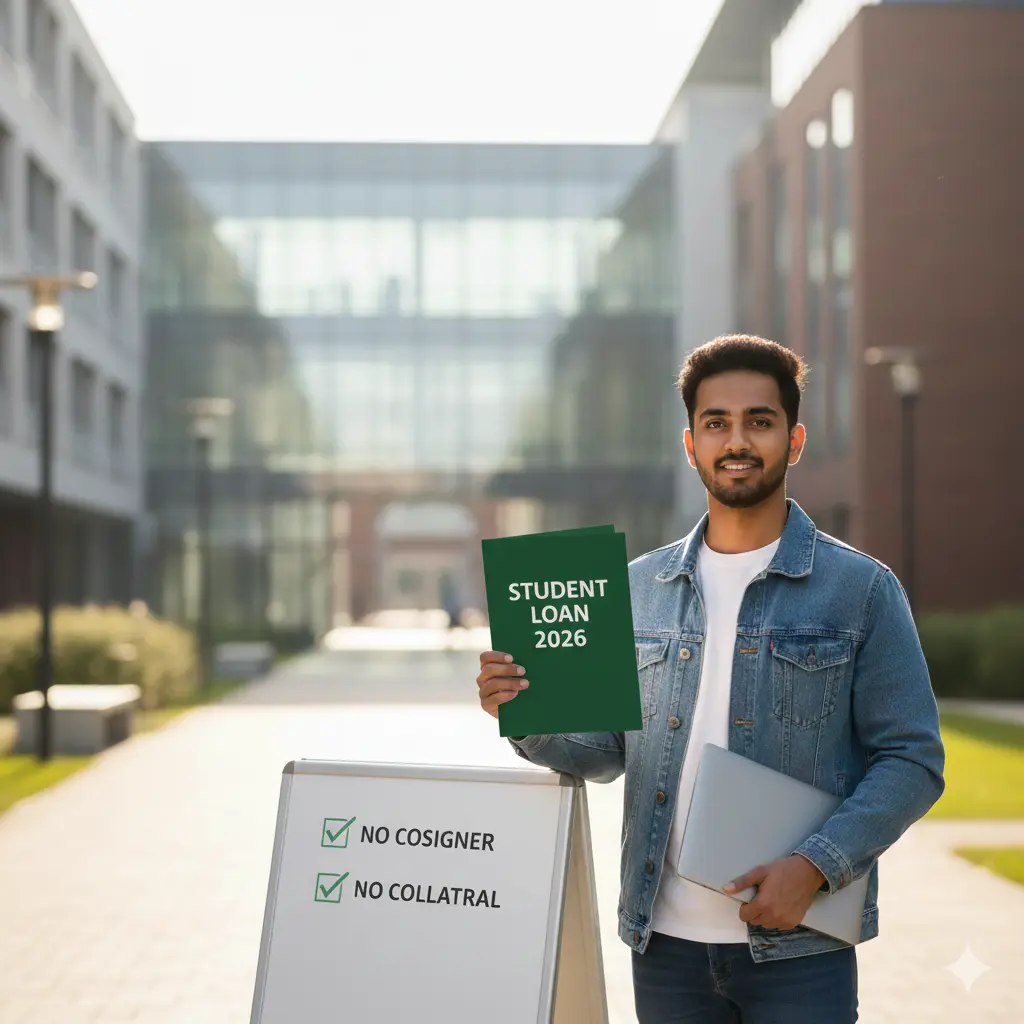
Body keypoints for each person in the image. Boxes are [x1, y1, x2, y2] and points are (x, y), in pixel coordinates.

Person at [475, 335, 944, 1023]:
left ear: (795, 440)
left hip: (799, 948)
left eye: (760, 420)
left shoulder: (861, 590)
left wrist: (814, 866)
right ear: (691, 444)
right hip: (665, 949)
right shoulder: (638, 588)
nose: (738, 441)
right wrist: (526, 711)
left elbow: (912, 759)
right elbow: (608, 752)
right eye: (717, 423)